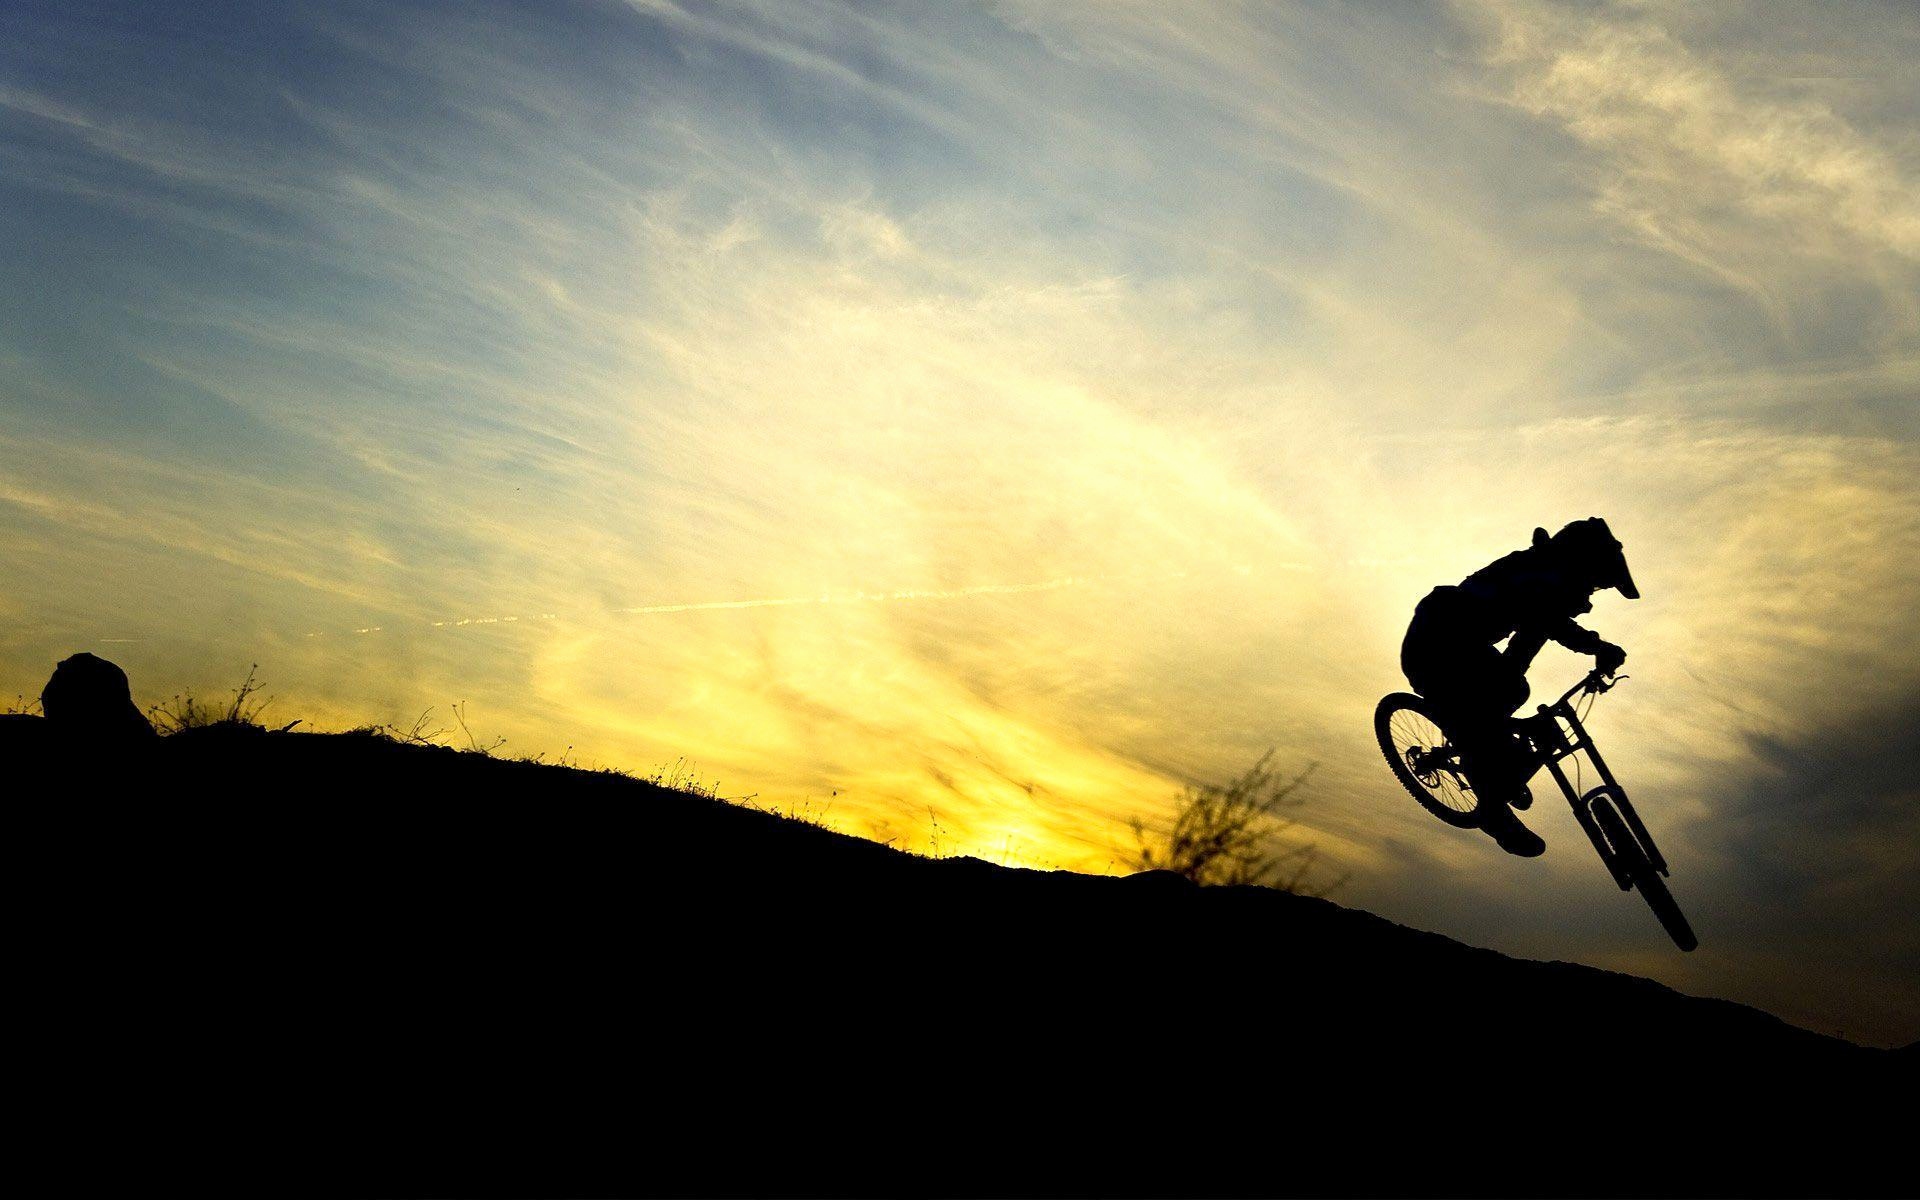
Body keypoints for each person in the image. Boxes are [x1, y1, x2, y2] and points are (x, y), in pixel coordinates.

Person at [1399, 518, 1638, 857]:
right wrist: (1598, 648)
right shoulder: (1537, 578)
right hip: (1437, 646)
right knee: (1492, 706)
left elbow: (1520, 655)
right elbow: (1548, 623)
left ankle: (1495, 763)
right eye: (1595, 583)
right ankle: (1493, 811)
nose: (1590, 594)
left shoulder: (1541, 584)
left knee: (1511, 691)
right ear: (1578, 563)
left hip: (1458, 648)